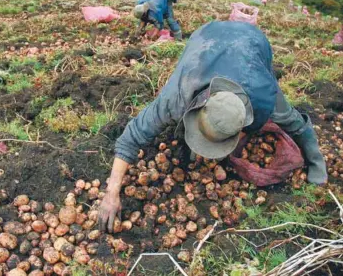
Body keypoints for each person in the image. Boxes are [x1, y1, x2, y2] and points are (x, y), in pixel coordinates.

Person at [99, 21, 327, 233]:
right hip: (207, 37)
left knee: (289, 119)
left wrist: (315, 161)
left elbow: (297, 125)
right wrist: (111, 192)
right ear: (197, 107)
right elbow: (131, 138)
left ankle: (317, 160)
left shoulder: (266, 99)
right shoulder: (176, 96)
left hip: (252, 42)